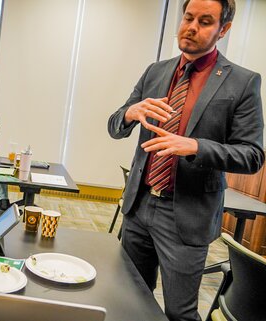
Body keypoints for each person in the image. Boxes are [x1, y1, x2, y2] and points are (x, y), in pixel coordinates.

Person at [107, 1, 264, 320]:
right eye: (188, 17)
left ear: (224, 29)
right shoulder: (156, 71)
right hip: (138, 207)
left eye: (205, 21)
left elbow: (252, 155)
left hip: (186, 215)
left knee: (180, 312)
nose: (191, 26)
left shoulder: (242, 82)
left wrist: (195, 145)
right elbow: (114, 126)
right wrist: (129, 113)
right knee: (127, 298)